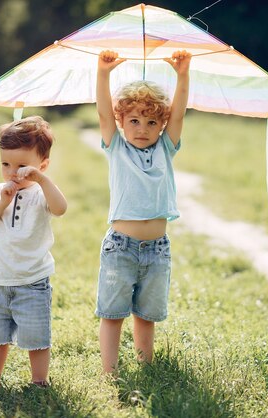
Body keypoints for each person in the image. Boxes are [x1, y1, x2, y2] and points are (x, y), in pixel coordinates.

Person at [95, 49, 191, 373]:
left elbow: (178, 115)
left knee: (146, 315)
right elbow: (103, 114)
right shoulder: (116, 147)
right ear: (122, 122)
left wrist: (182, 75)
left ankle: (145, 366)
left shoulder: (166, 147)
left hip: (157, 251)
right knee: (112, 314)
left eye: (151, 122)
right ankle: (110, 372)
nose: (142, 128)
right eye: (134, 120)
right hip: (121, 248)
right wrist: (104, 73)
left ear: (161, 124)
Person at [0, 115, 68, 386]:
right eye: (5, 163)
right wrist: (2, 202)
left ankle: (39, 381)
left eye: (22, 165)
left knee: (37, 339)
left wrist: (42, 180)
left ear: (42, 165)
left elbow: (60, 208)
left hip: (33, 282)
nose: (12, 171)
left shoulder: (41, 194)